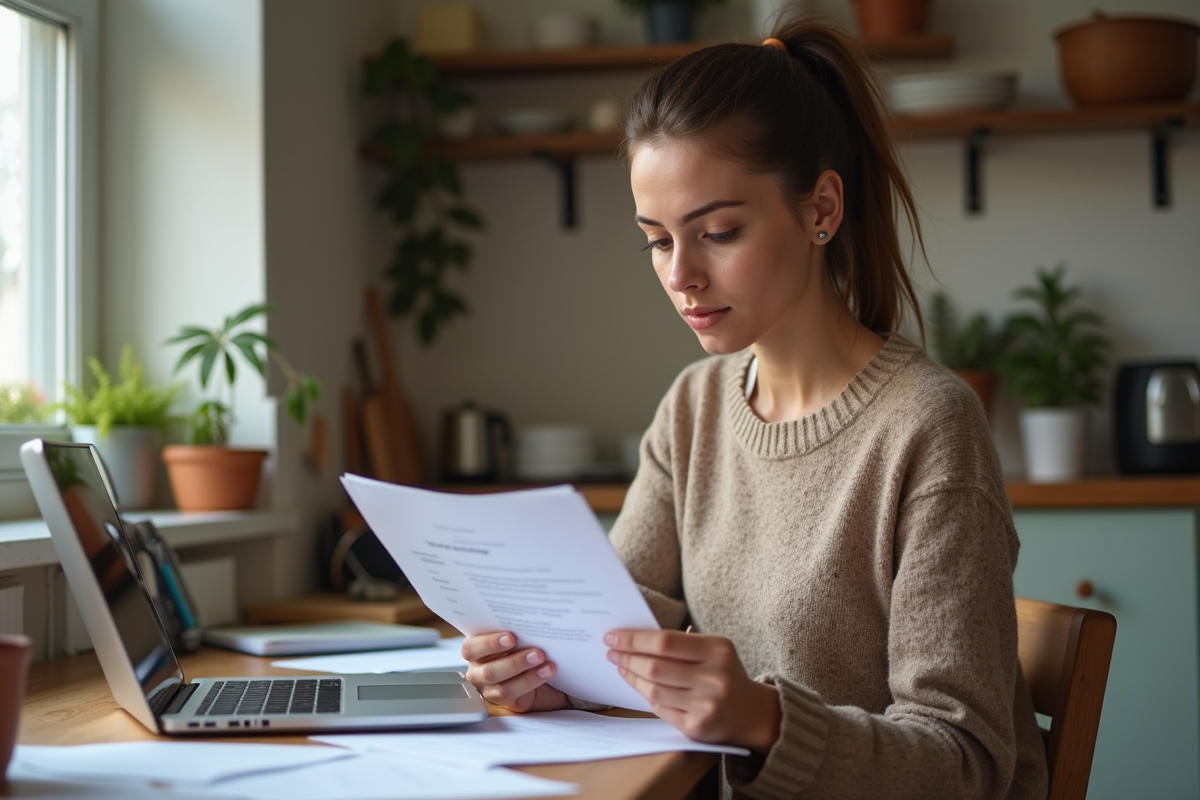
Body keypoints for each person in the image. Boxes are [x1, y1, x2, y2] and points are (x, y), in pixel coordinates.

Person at [461, 18, 1049, 800]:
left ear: (821, 210)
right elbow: (614, 636)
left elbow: (968, 765)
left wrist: (765, 720)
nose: (682, 276)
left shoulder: (929, 426)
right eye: (658, 241)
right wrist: (545, 677)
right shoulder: (694, 408)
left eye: (718, 232)